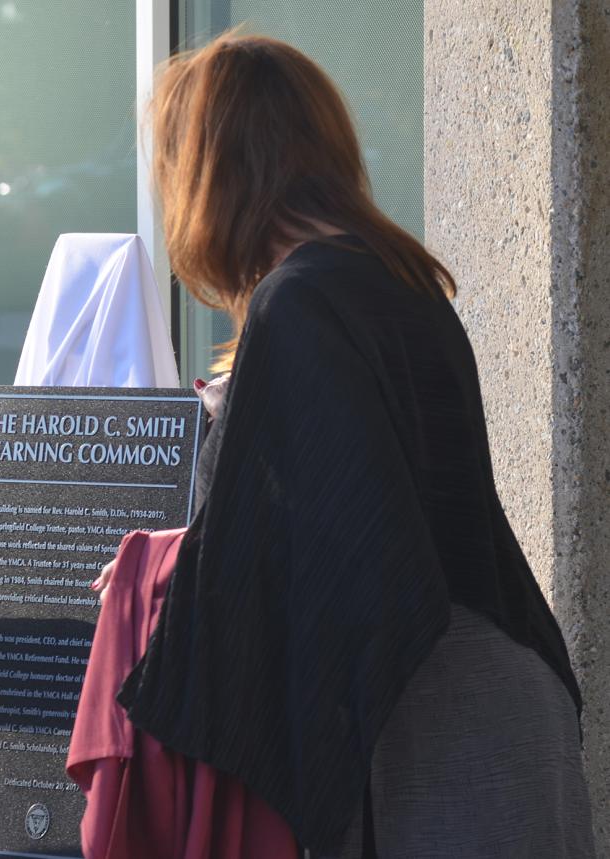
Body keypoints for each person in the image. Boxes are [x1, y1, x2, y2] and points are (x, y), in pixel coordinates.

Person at [101, 33, 594, 858]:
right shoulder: (399, 280)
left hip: (422, 741)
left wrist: (154, 573)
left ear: (212, 172)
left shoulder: (299, 304)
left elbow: (321, 573)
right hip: (507, 702)